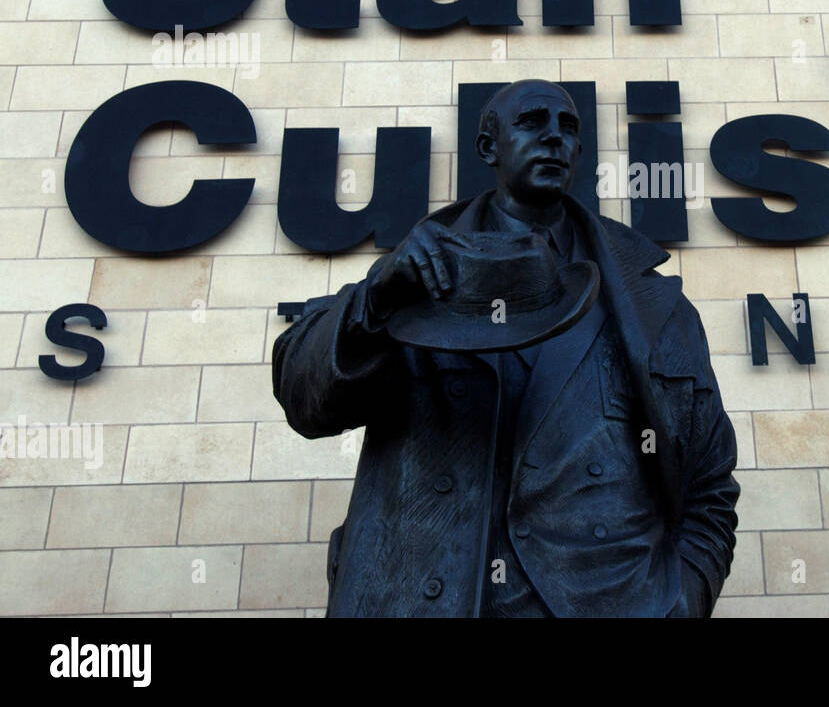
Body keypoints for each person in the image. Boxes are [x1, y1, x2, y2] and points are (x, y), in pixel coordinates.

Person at [271, 79, 741, 617]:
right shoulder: (412, 280)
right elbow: (303, 398)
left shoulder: (652, 302)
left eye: (568, 128)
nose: (554, 137)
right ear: (487, 148)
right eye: (532, 121)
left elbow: (709, 484)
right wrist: (377, 298)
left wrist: (682, 599)